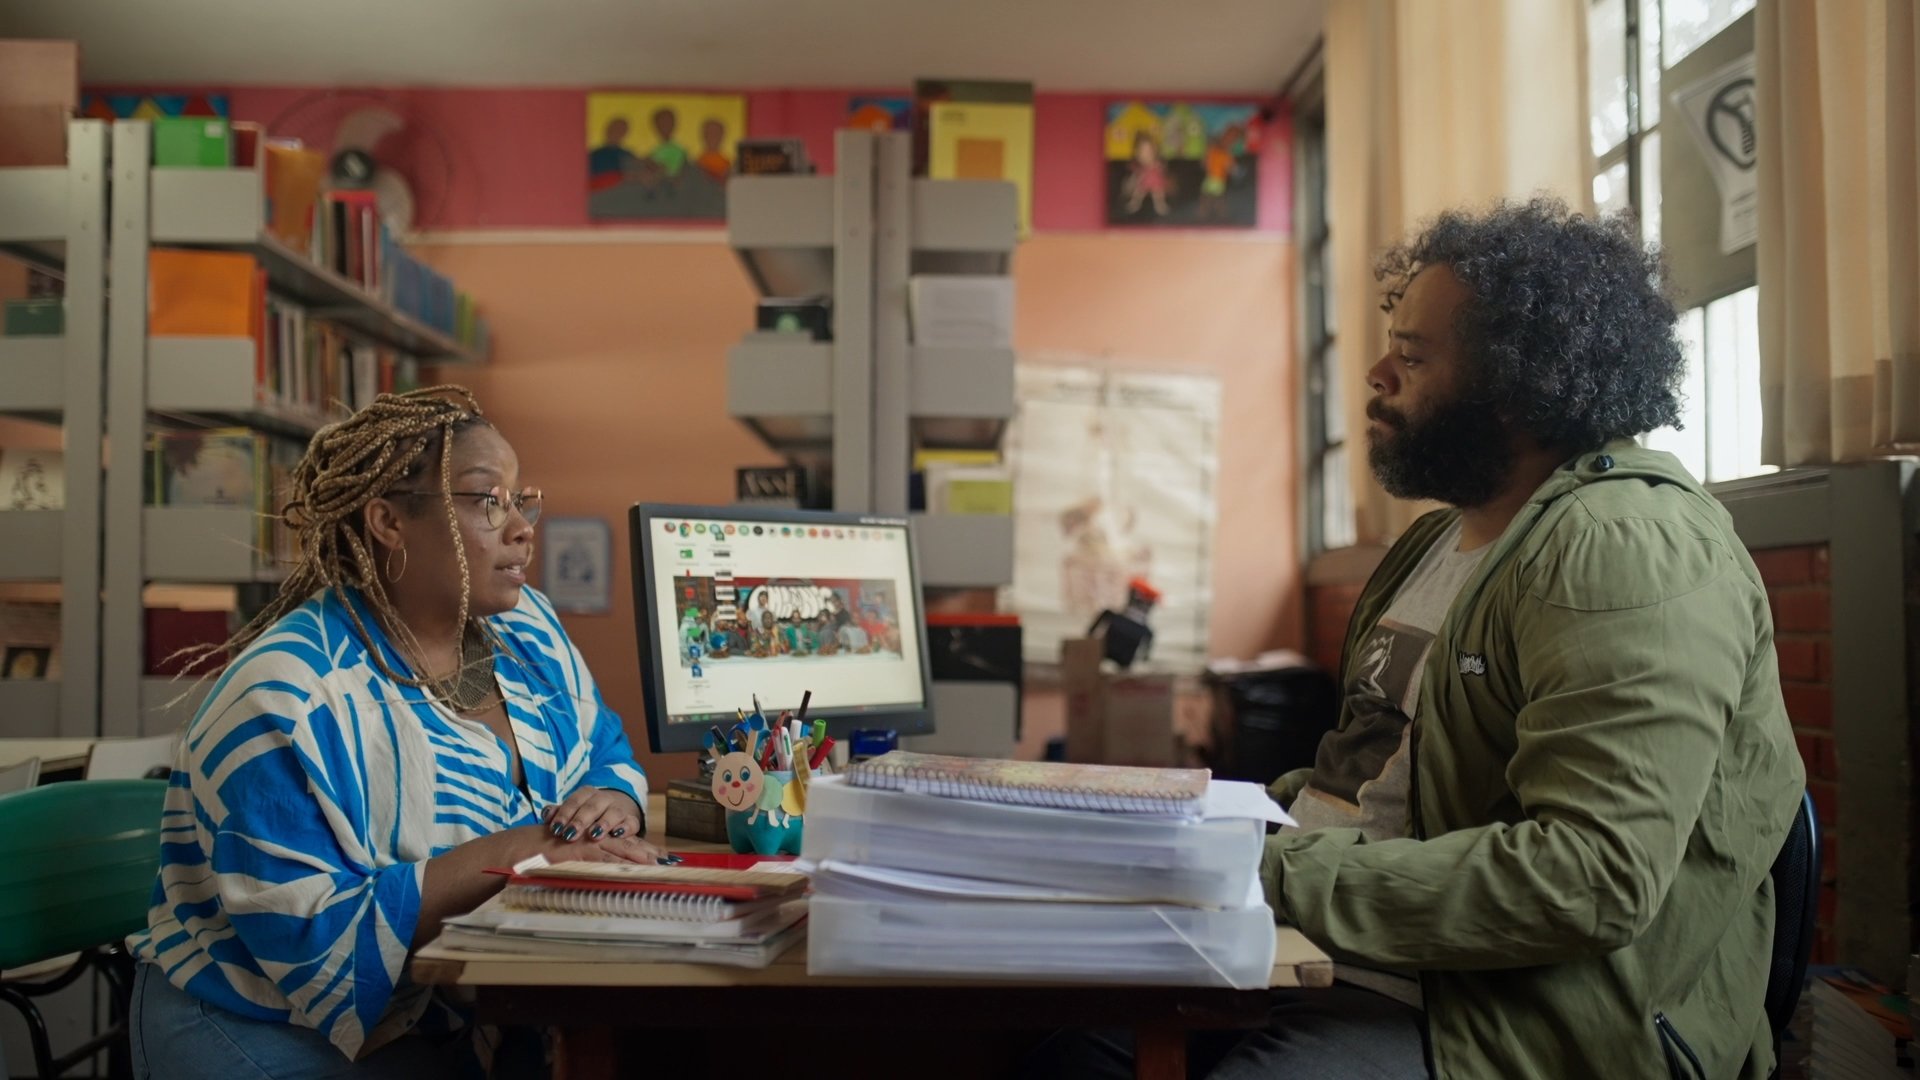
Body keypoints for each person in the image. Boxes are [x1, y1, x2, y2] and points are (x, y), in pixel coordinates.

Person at [1028, 199, 1804, 1079]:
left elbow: (1592, 878)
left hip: (1504, 1022)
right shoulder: (1439, 542)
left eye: (1412, 356)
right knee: (1058, 1048)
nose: (1374, 374)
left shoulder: (1623, 551)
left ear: (1519, 384)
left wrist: (1262, 870)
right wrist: (1189, 821)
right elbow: (1369, 783)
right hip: (1352, 956)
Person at [129, 387, 667, 1078]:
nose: (522, 527)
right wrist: (531, 851)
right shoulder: (288, 695)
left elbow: (604, 749)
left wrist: (609, 801)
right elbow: (307, 938)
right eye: (485, 501)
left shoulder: (528, 626)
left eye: (518, 499)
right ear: (388, 521)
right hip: (268, 1022)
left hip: (447, 1006)